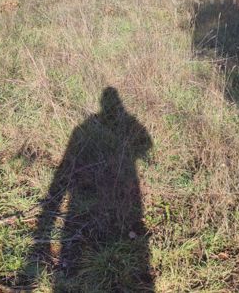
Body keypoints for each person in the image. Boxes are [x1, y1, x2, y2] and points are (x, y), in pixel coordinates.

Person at [26, 87, 153, 291]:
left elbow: (145, 144)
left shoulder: (86, 127)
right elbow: (146, 144)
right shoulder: (104, 125)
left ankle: (103, 253)